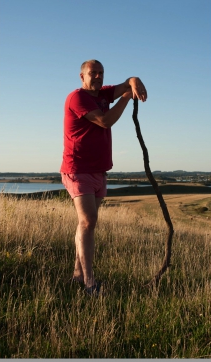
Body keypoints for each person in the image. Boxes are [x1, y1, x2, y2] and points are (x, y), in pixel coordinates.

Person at [60, 59, 147, 295]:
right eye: (92, 73)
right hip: (78, 169)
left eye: (101, 73)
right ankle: (90, 284)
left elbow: (125, 83)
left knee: (85, 223)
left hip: (99, 171)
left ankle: (78, 274)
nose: (97, 76)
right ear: (82, 76)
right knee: (88, 222)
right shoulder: (77, 98)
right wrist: (127, 97)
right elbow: (105, 121)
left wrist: (134, 81)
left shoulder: (103, 93)